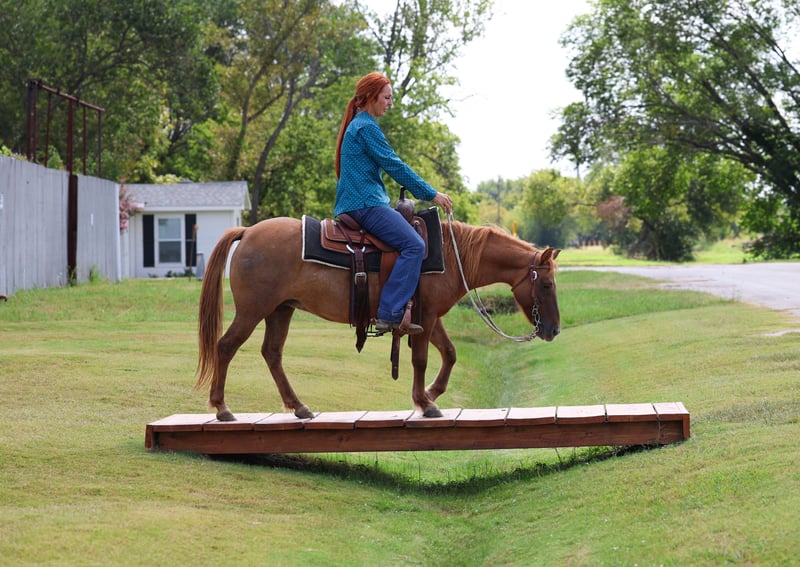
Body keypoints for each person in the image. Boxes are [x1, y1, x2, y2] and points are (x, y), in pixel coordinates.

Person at [334, 72, 453, 335]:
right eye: (387, 98)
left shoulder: (358, 124)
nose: (390, 103)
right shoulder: (366, 127)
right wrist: (432, 194)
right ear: (371, 97)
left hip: (360, 201)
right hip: (365, 203)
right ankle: (389, 312)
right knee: (414, 244)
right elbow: (394, 166)